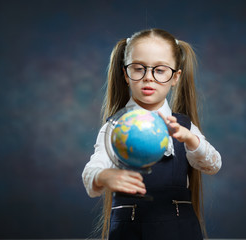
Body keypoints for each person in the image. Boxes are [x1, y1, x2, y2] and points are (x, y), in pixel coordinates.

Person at [82, 28, 222, 240]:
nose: (148, 78)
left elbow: (213, 166)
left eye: (160, 70)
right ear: (125, 74)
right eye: (138, 69)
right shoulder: (114, 128)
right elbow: (91, 172)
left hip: (180, 230)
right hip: (128, 232)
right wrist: (103, 176)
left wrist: (191, 140)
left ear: (175, 77)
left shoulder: (183, 126)